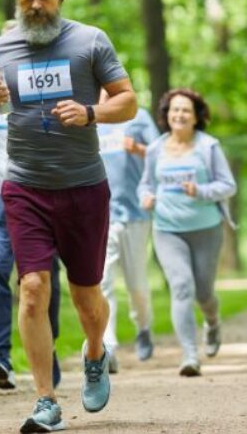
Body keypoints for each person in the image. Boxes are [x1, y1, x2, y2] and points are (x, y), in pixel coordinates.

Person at [0, 0, 137, 434]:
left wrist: (90, 113)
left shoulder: (89, 41)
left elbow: (127, 100)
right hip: (24, 186)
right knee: (33, 289)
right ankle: (45, 400)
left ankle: (95, 353)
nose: (35, 3)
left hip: (83, 185)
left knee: (87, 299)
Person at [0, 48, 63, 390]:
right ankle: (0, 358)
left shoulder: (43, 85)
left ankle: (46, 350)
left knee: (41, 275)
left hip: (39, 192)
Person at [137, 88, 236, 377]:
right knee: (181, 287)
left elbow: (228, 185)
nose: (179, 115)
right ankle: (190, 355)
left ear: (196, 117)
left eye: (185, 111)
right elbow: (145, 184)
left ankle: (213, 321)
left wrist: (201, 191)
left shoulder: (208, 147)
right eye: (174, 110)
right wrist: (146, 197)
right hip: (167, 229)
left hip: (206, 229)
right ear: (166, 115)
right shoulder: (155, 149)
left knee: (204, 292)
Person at [97, 90, 160, 372]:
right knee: (103, 282)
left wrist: (139, 149)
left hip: (134, 212)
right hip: (99, 213)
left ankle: (143, 326)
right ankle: (107, 345)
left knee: (136, 285)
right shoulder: (88, 118)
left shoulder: (138, 115)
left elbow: (163, 154)